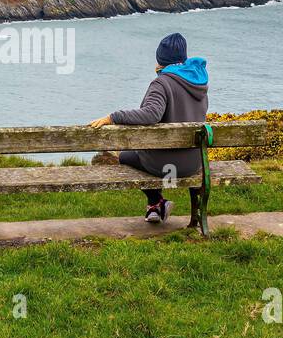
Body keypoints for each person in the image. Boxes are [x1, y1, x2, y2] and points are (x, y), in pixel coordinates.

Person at [88, 32, 209, 223]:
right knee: (145, 154)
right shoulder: (199, 84)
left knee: (126, 157)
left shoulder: (162, 83)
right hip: (194, 164)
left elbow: (151, 114)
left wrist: (113, 117)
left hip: (166, 166)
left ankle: (156, 201)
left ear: (160, 58)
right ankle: (159, 209)